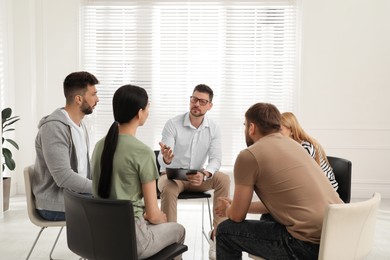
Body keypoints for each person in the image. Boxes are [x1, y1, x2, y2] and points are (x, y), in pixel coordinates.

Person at [215, 103, 343, 260]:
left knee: (225, 231)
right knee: (268, 218)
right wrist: (236, 204)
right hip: (336, 238)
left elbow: (236, 216)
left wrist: (228, 208)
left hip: (306, 246)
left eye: (245, 125)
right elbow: (283, 203)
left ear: (252, 127)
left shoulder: (248, 156)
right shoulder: (296, 146)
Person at [91, 85, 185, 259]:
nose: (148, 111)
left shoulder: (99, 147)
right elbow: (153, 214)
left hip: (100, 237)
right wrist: (161, 218)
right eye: (148, 107)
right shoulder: (142, 152)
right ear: (140, 112)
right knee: (178, 229)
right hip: (133, 240)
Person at [157, 84, 230, 260]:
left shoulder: (213, 128)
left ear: (209, 106)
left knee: (224, 179)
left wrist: (205, 174)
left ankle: (217, 238)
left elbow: (215, 160)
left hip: (197, 177)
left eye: (202, 101)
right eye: (194, 99)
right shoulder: (173, 124)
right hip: (172, 178)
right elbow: (163, 157)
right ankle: (171, 247)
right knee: (168, 187)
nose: (196, 104)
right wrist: (166, 159)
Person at [33, 71, 99, 221]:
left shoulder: (80, 125)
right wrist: (99, 189)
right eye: (93, 94)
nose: (97, 99)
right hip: (54, 204)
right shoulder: (54, 128)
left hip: (75, 195)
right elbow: (64, 177)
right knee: (115, 209)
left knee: (121, 201)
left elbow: (84, 168)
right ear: (79, 99)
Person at [280, 112, 338, 190]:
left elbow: (301, 174)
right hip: (313, 184)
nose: (277, 133)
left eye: (280, 129)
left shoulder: (307, 146)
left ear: (292, 131)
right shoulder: (289, 146)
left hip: (327, 188)